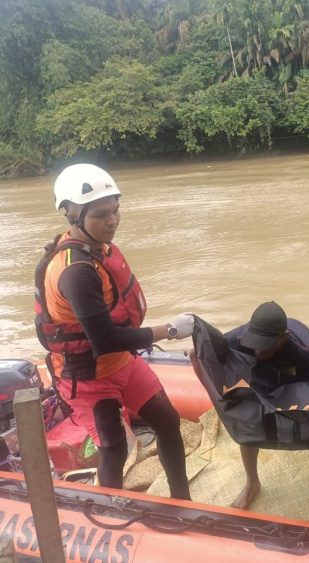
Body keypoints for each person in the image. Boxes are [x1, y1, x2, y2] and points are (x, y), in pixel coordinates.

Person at [34, 163, 194, 499]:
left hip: (122, 363)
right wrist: (168, 330)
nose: (112, 221)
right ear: (72, 216)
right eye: (101, 215)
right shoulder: (76, 272)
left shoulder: (99, 249)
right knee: (115, 449)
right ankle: (113, 509)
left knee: (167, 421)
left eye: (115, 211)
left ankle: (182, 500)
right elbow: (104, 340)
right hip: (87, 377)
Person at [224, 301, 309, 509]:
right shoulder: (240, 337)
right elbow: (208, 349)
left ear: (282, 338)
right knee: (248, 420)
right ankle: (252, 483)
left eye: (263, 346)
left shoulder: (303, 348)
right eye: (254, 343)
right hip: (261, 371)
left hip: (297, 367)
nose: (257, 351)